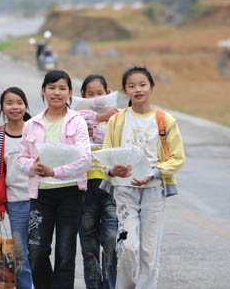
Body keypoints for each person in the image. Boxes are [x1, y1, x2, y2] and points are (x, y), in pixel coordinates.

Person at [103, 66, 185, 289]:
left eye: (142, 85)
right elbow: (107, 154)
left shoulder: (165, 120)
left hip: (154, 191)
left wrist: (154, 173)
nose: (138, 89)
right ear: (124, 90)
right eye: (131, 86)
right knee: (128, 247)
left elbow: (177, 158)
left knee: (149, 253)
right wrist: (112, 170)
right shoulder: (117, 120)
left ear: (151, 87)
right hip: (124, 190)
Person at [17, 70, 91, 289]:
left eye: (62, 88)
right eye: (51, 87)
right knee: (37, 252)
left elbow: (85, 159)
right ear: (43, 90)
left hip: (71, 193)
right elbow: (21, 159)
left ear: (69, 93)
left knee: (65, 255)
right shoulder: (32, 124)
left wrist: (54, 172)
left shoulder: (77, 121)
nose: (56, 93)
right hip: (41, 195)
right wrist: (33, 166)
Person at [78, 75, 119, 289]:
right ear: (83, 95)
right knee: (88, 244)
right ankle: (93, 285)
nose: (95, 98)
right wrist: (102, 118)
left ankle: (110, 284)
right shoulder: (77, 115)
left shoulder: (116, 116)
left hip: (110, 184)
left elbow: (113, 137)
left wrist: (98, 123)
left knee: (112, 237)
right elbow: (78, 132)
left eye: (100, 93)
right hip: (84, 187)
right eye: (90, 94)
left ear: (108, 92)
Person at [0, 86, 33, 289]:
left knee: (40, 252)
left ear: (25, 105)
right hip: (15, 202)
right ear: (2, 108)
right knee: (20, 253)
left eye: (19, 102)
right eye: (9, 103)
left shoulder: (36, 129)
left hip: (40, 199)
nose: (15, 107)